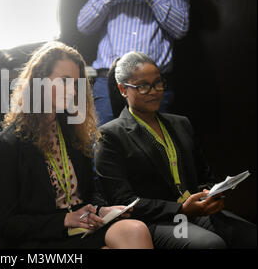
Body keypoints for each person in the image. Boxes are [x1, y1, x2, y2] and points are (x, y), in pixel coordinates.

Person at [0, 41, 153, 249]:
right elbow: (6, 224)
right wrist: (65, 220)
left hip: (81, 227)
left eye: (75, 83)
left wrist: (99, 209)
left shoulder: (71, 130)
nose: (72, 91)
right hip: (42, 237)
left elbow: (89, 192)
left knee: (136, 229)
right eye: (64, 81)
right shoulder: (9, 143)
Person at [95, 51, 257, 249]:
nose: (154, 91)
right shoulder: (110, 135)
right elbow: (123, 201)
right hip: (154, 220)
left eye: (157, 83)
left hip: (195, 211)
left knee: (250, 236)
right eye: (143, 86)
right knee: (210, 245)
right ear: (123, 89)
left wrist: (210, 193)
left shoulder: (181, 124)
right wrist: (180, 209)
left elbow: (203, 176)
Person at [77, 0, 190, 125]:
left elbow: (181, 29)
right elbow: (83, 25)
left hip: (152, 83)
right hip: (108, 82)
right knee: (104, 143)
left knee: (153, 146)